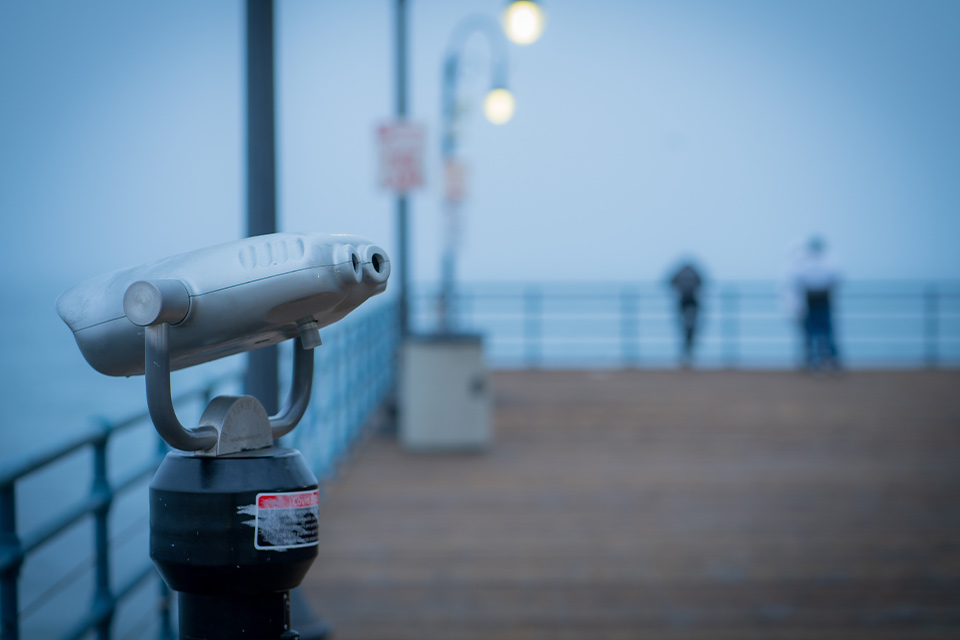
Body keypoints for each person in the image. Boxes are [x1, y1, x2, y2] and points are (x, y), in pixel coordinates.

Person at [793, 236, 842, 372]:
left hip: (815, 299)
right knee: (822, 331)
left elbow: (797, 280)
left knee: (817, 331)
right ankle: (825, 360)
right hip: (819, 298)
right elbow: (836, 278)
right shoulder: (829, 261)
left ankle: (819, 361)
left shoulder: (805, 261)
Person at [669, 261, 704, 367]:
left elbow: (670, 282)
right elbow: (701, 283)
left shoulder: (680, 272)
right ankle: (689, 354)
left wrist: (679, 290)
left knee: (685, 329)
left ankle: (687, 354)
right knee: (690, 329)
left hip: (684, 303)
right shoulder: (694, 272)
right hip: (691, 303)